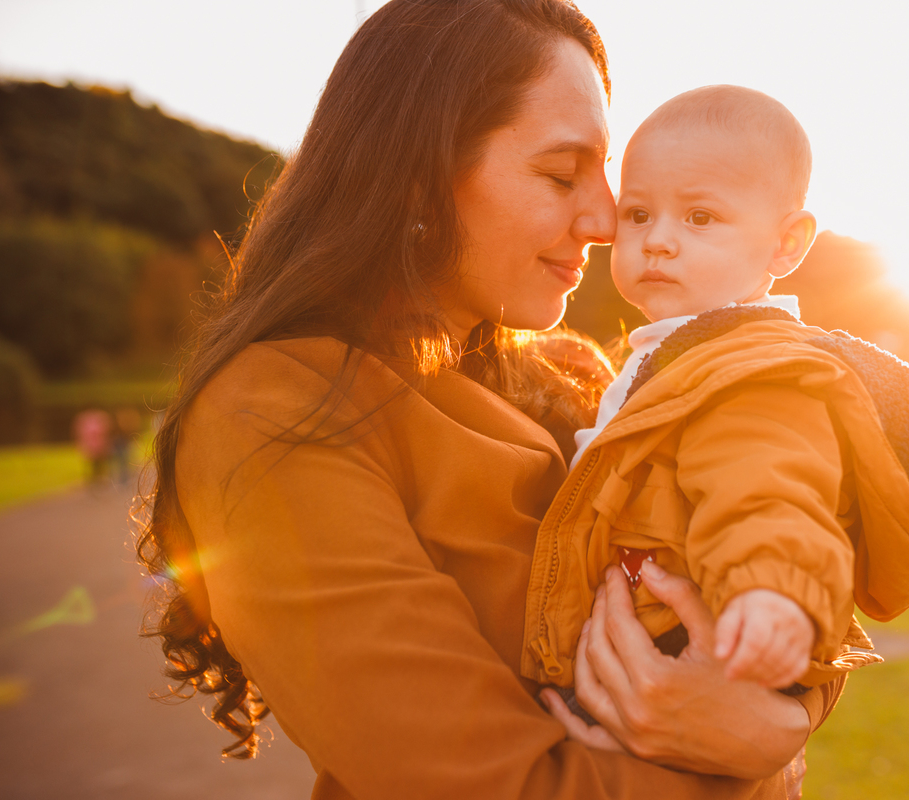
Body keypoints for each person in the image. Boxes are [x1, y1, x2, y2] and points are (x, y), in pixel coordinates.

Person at [136, 2, 835, 798]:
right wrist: (758, 761)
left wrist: (776, 718)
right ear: (418, 172)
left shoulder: (579, 378)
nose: (607, 219)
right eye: (560, 173)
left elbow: (778, 550)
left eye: (604, 177)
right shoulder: (273, 412)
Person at [528, 87, 909, 719]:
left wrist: (772, 593)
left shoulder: (750, 373)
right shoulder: (672, 355)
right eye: (637, 215)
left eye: (700, 218)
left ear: (785, 244)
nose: (657, 240)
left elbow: (771, 489)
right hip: (633, 657)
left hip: (681, 658)